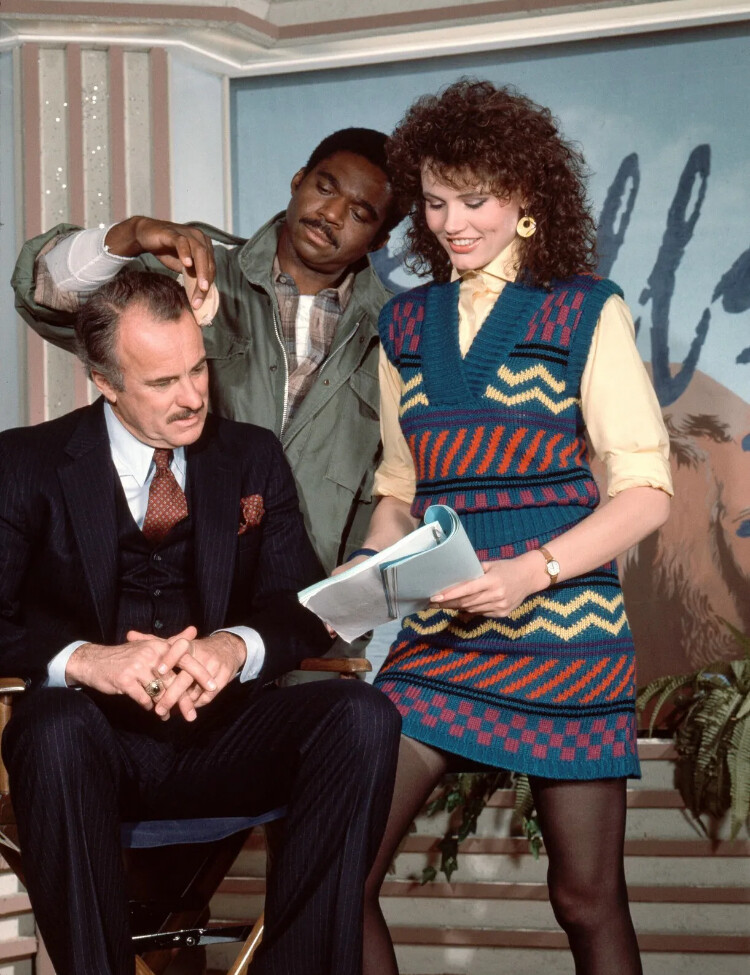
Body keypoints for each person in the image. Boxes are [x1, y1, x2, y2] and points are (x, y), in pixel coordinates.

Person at [349, 80, 673, 974]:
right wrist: (363, 573)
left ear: (526, 194)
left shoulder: (586, 308)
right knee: (338, 871)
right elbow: (400, 490)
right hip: (441, 641)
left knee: (585, 899)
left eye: (475, 199)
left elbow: (647, 491)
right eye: (435, 202)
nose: (452, 223)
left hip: (567, 636)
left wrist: (532, 571)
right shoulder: (403, 325)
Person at [0, 271, 401, 975]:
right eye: (162, 382)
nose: (191, 397)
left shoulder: (250, 455)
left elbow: (302, 607)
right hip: (91, 751)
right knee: (54, 726)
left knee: (359, 714)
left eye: (197, 369)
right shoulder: (25, 462)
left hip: (223, 740)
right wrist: (86, 660)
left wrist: (233, 647)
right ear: (104, 381)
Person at [11, 127, 403, 574]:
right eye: (325, 188)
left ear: (378, 240)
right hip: (172, 590)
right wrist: (132, 234)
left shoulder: (401, 334)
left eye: (359, 213)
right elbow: (46, 293)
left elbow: (403, 484)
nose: (331, 213)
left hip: (309, 601)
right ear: (298, 181)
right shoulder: (190, 275)